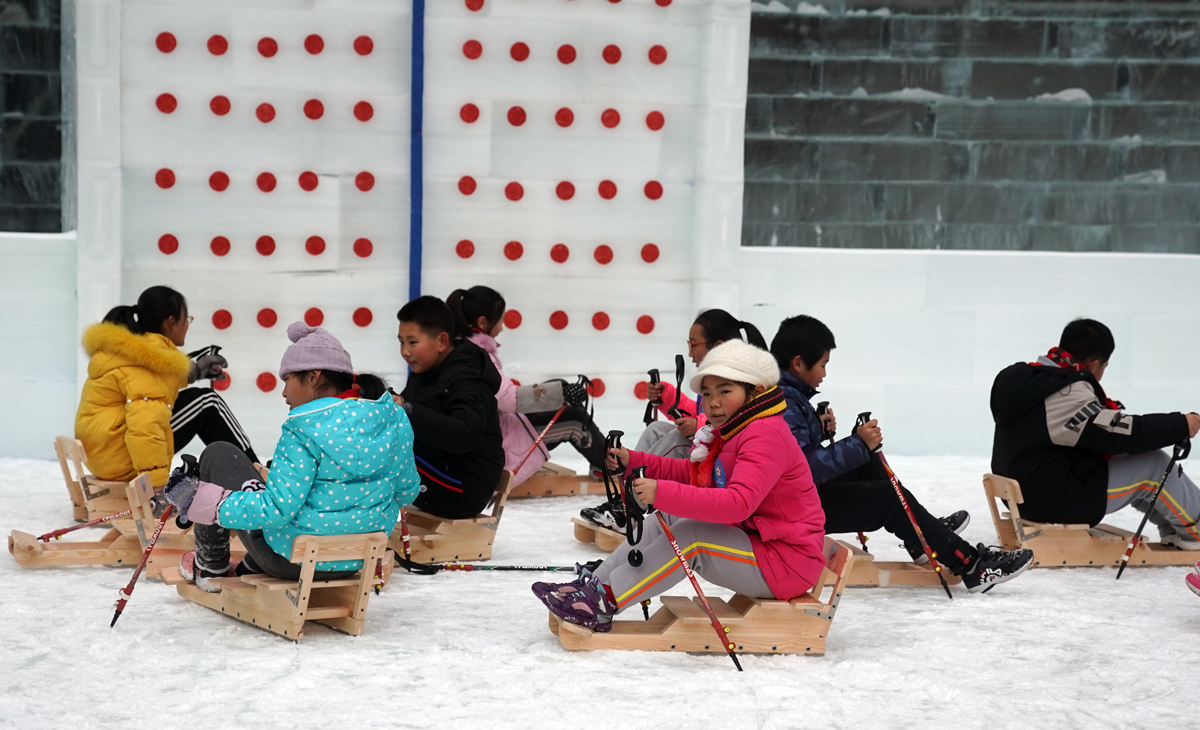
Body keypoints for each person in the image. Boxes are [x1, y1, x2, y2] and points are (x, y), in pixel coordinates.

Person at [533, 340, 826, 631]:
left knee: (691, 537)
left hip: (787, 562)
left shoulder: (765, 434)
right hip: (762, 545)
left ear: (756, 392)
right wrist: (633, 461)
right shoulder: (735, 430)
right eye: (708, 393)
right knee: (672, 519)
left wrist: (660, 493)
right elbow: (693, 472)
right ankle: (595, 586)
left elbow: (738, 504)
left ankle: (604, 601)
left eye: (725, 391)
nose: (713, 402)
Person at [772, 314, 1033, 593]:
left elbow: (794, 454)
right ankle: (970, 565)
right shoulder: (786, 401)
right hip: (794, 509)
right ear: (798, 363)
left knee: (869, 463)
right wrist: (858, 444)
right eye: (822, 365)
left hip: (796, 498)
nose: (824, 373)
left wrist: (822, 432)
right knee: (888, 498)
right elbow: (804, 470)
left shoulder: (787, 395)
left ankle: (921, 535)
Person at [166, 322, 420, 592]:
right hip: (357, 559)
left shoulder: (304, 428)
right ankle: (251, 564)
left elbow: (274, 511)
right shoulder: (391, 419)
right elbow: (407, 492)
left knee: (218, 453)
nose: (284, 392)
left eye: (287, 380)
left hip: (294, 562)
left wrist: (199, 500)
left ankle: (210, 566)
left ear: (313, 376)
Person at [991, 318, 1200, 548]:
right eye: (1103, 368)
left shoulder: (1025, 381)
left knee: (1136, 461)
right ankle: (1195, 531)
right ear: (1093, 364)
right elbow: (1120, 435)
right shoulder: (1065, 392)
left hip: (1026, 493)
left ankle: (1173, 529)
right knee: (1153, 463)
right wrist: (1179, 424)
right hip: (1052, 499)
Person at [580, 308, 768, 533]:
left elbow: (733, 422)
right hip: (711, 447)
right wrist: (667, 397)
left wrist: (698, 426)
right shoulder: (715, 378)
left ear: (716, 346)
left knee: (677, 439)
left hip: (721, 458)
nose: (690, 354)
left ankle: (629, 508)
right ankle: (624, 503)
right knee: (657, 429)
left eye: (693, 345)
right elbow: (702, 414)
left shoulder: (734, 379)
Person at [74, 285, 256, 489]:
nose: (187, 325)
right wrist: (155, 487)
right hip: (119, 457)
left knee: (199, 402)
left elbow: (160, 382)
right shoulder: (146, 359)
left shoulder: (135, 350)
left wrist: (196, 371)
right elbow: (146, 427)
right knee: (207, 402)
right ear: (171, 322)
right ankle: (256, 475)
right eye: (186, 319)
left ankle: (247, 473)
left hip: (104, 452)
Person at [446, 286, 606, 486]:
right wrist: (562, 393)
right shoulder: (477, 354)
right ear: (483, 322)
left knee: (558, 388)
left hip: (494, 428)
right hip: (498, 444)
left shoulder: (462, 345)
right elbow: (508, 399)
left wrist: (559, 390)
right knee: (575, 419)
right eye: (501, 320)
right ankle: (608, 467)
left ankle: (604, 457)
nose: (503, 327)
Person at [395, 295, 506, 519]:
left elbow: (466, 435)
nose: (405, 351)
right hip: (442, 472)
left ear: (442, 342)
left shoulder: (468, 377)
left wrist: (408, 410)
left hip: (464, 488)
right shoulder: (424, 371)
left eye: (412, 342)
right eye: (401, 342)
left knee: (385, 450)